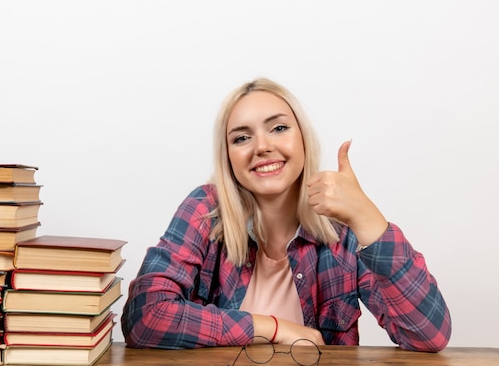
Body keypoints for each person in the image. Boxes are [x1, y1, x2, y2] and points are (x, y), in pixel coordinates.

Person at [121, 78, 451, 352]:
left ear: (303, 139)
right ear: (229, 157)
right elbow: (144, 317)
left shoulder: (342, 233)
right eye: (242, 137)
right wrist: (275, 328)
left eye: (278, 128)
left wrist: (368, 219)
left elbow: (428, 335)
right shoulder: (206, 210)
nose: (262, 146)